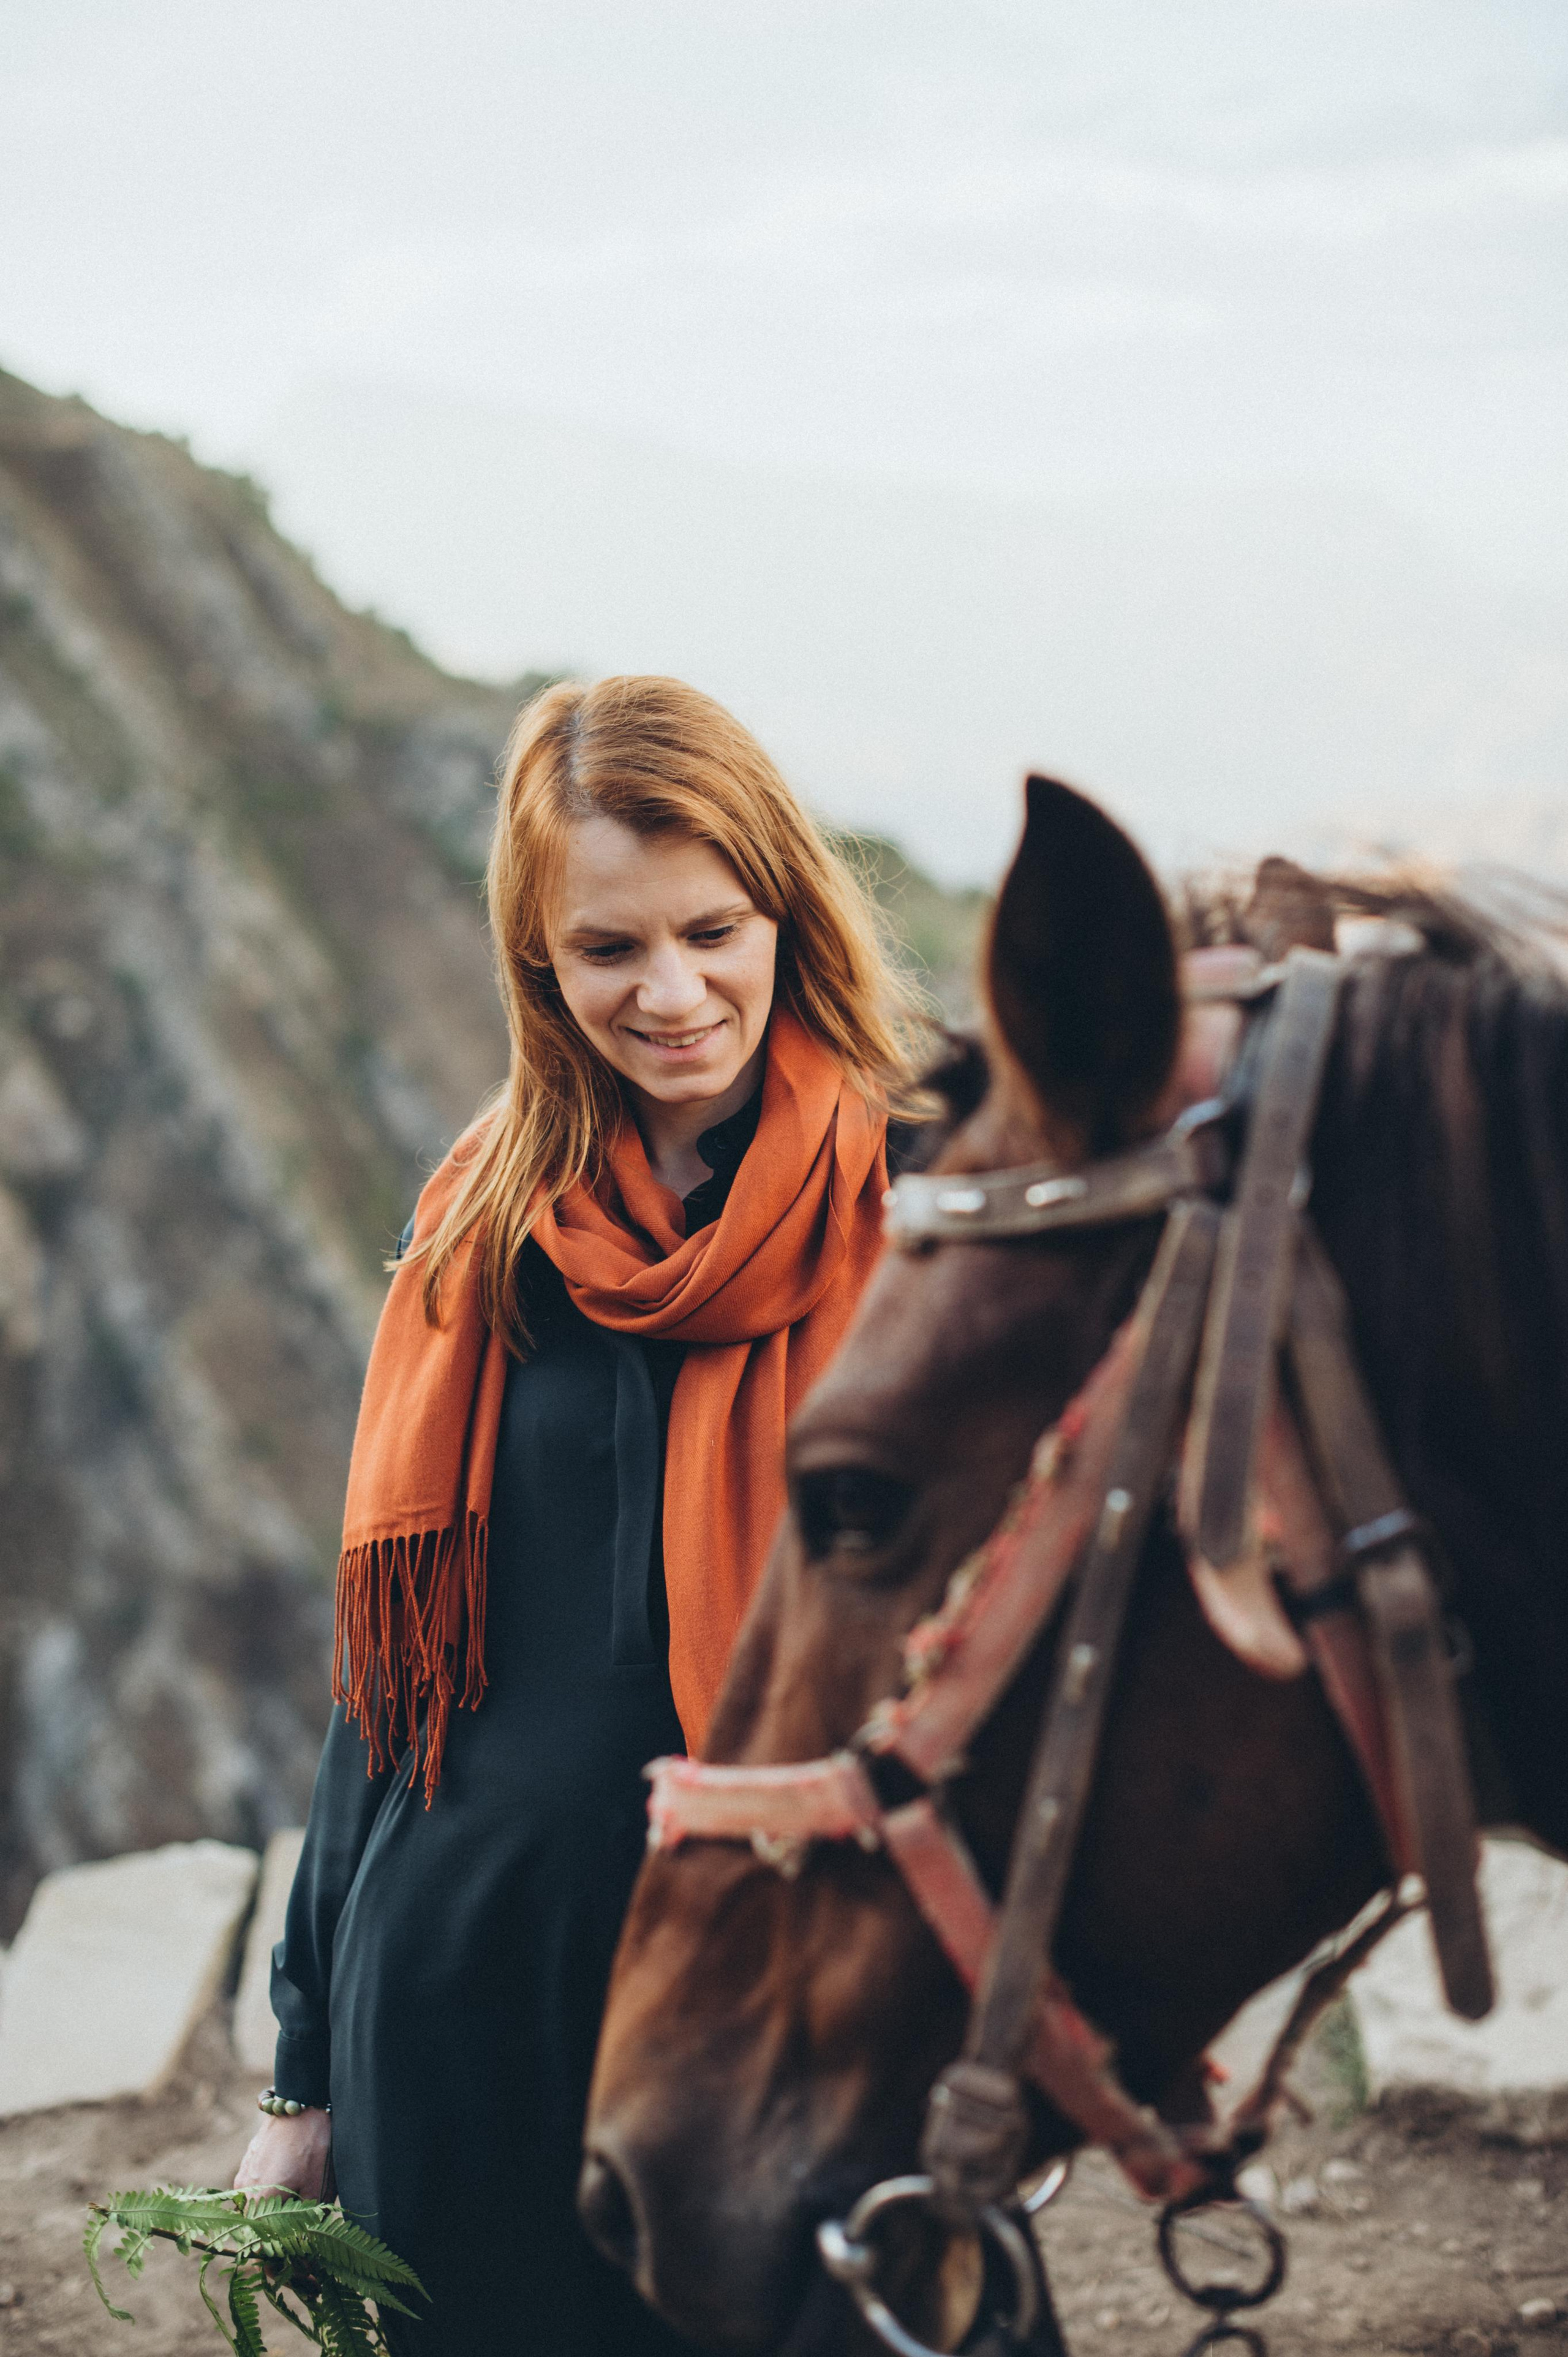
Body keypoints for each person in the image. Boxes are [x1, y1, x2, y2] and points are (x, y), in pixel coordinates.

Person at [233, 675, 924, 2354]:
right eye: (608, 950)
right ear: (538, 962)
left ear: (785, 911)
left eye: (712, 928)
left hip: (778, 1979)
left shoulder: (926, 1215)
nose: (673, 991)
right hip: (467, 1995)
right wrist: (307, 2071)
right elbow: (386, 1691)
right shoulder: (478, 1224)